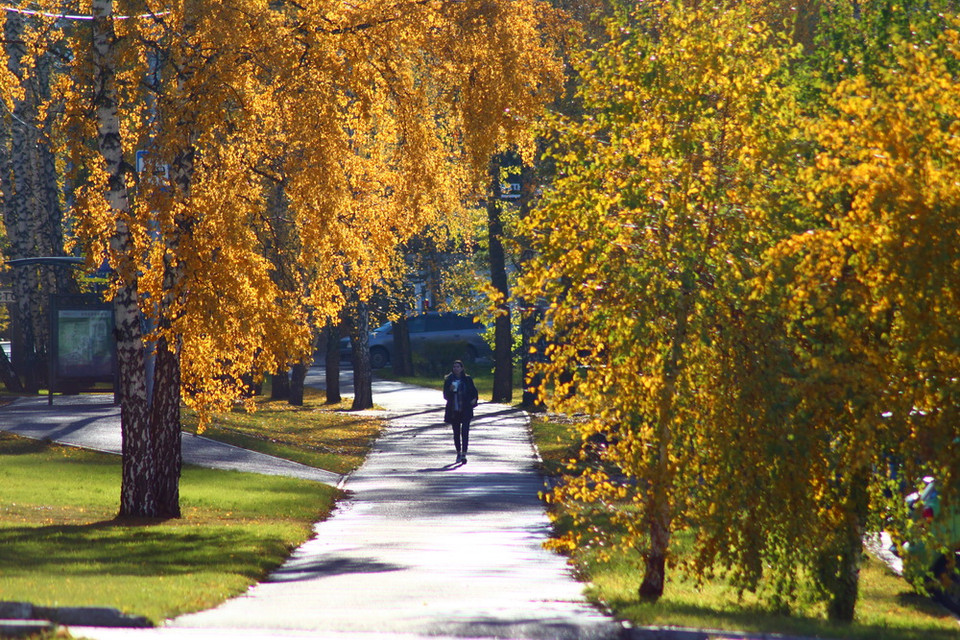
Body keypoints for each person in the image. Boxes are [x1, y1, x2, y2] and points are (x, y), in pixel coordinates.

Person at [443, 359, 478, 464]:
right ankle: (458, 452)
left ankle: (464, 454)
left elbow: (474, 392)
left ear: (462, 368)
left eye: (458, 367)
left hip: (466, 409)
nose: (456, 369)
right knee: (456, 433)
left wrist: (474, 399)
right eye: (454, 367)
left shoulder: (467, 379)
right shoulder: (449, 380)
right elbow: (445, 396)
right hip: (454, 410)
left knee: (465, 432)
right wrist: (450, 390)